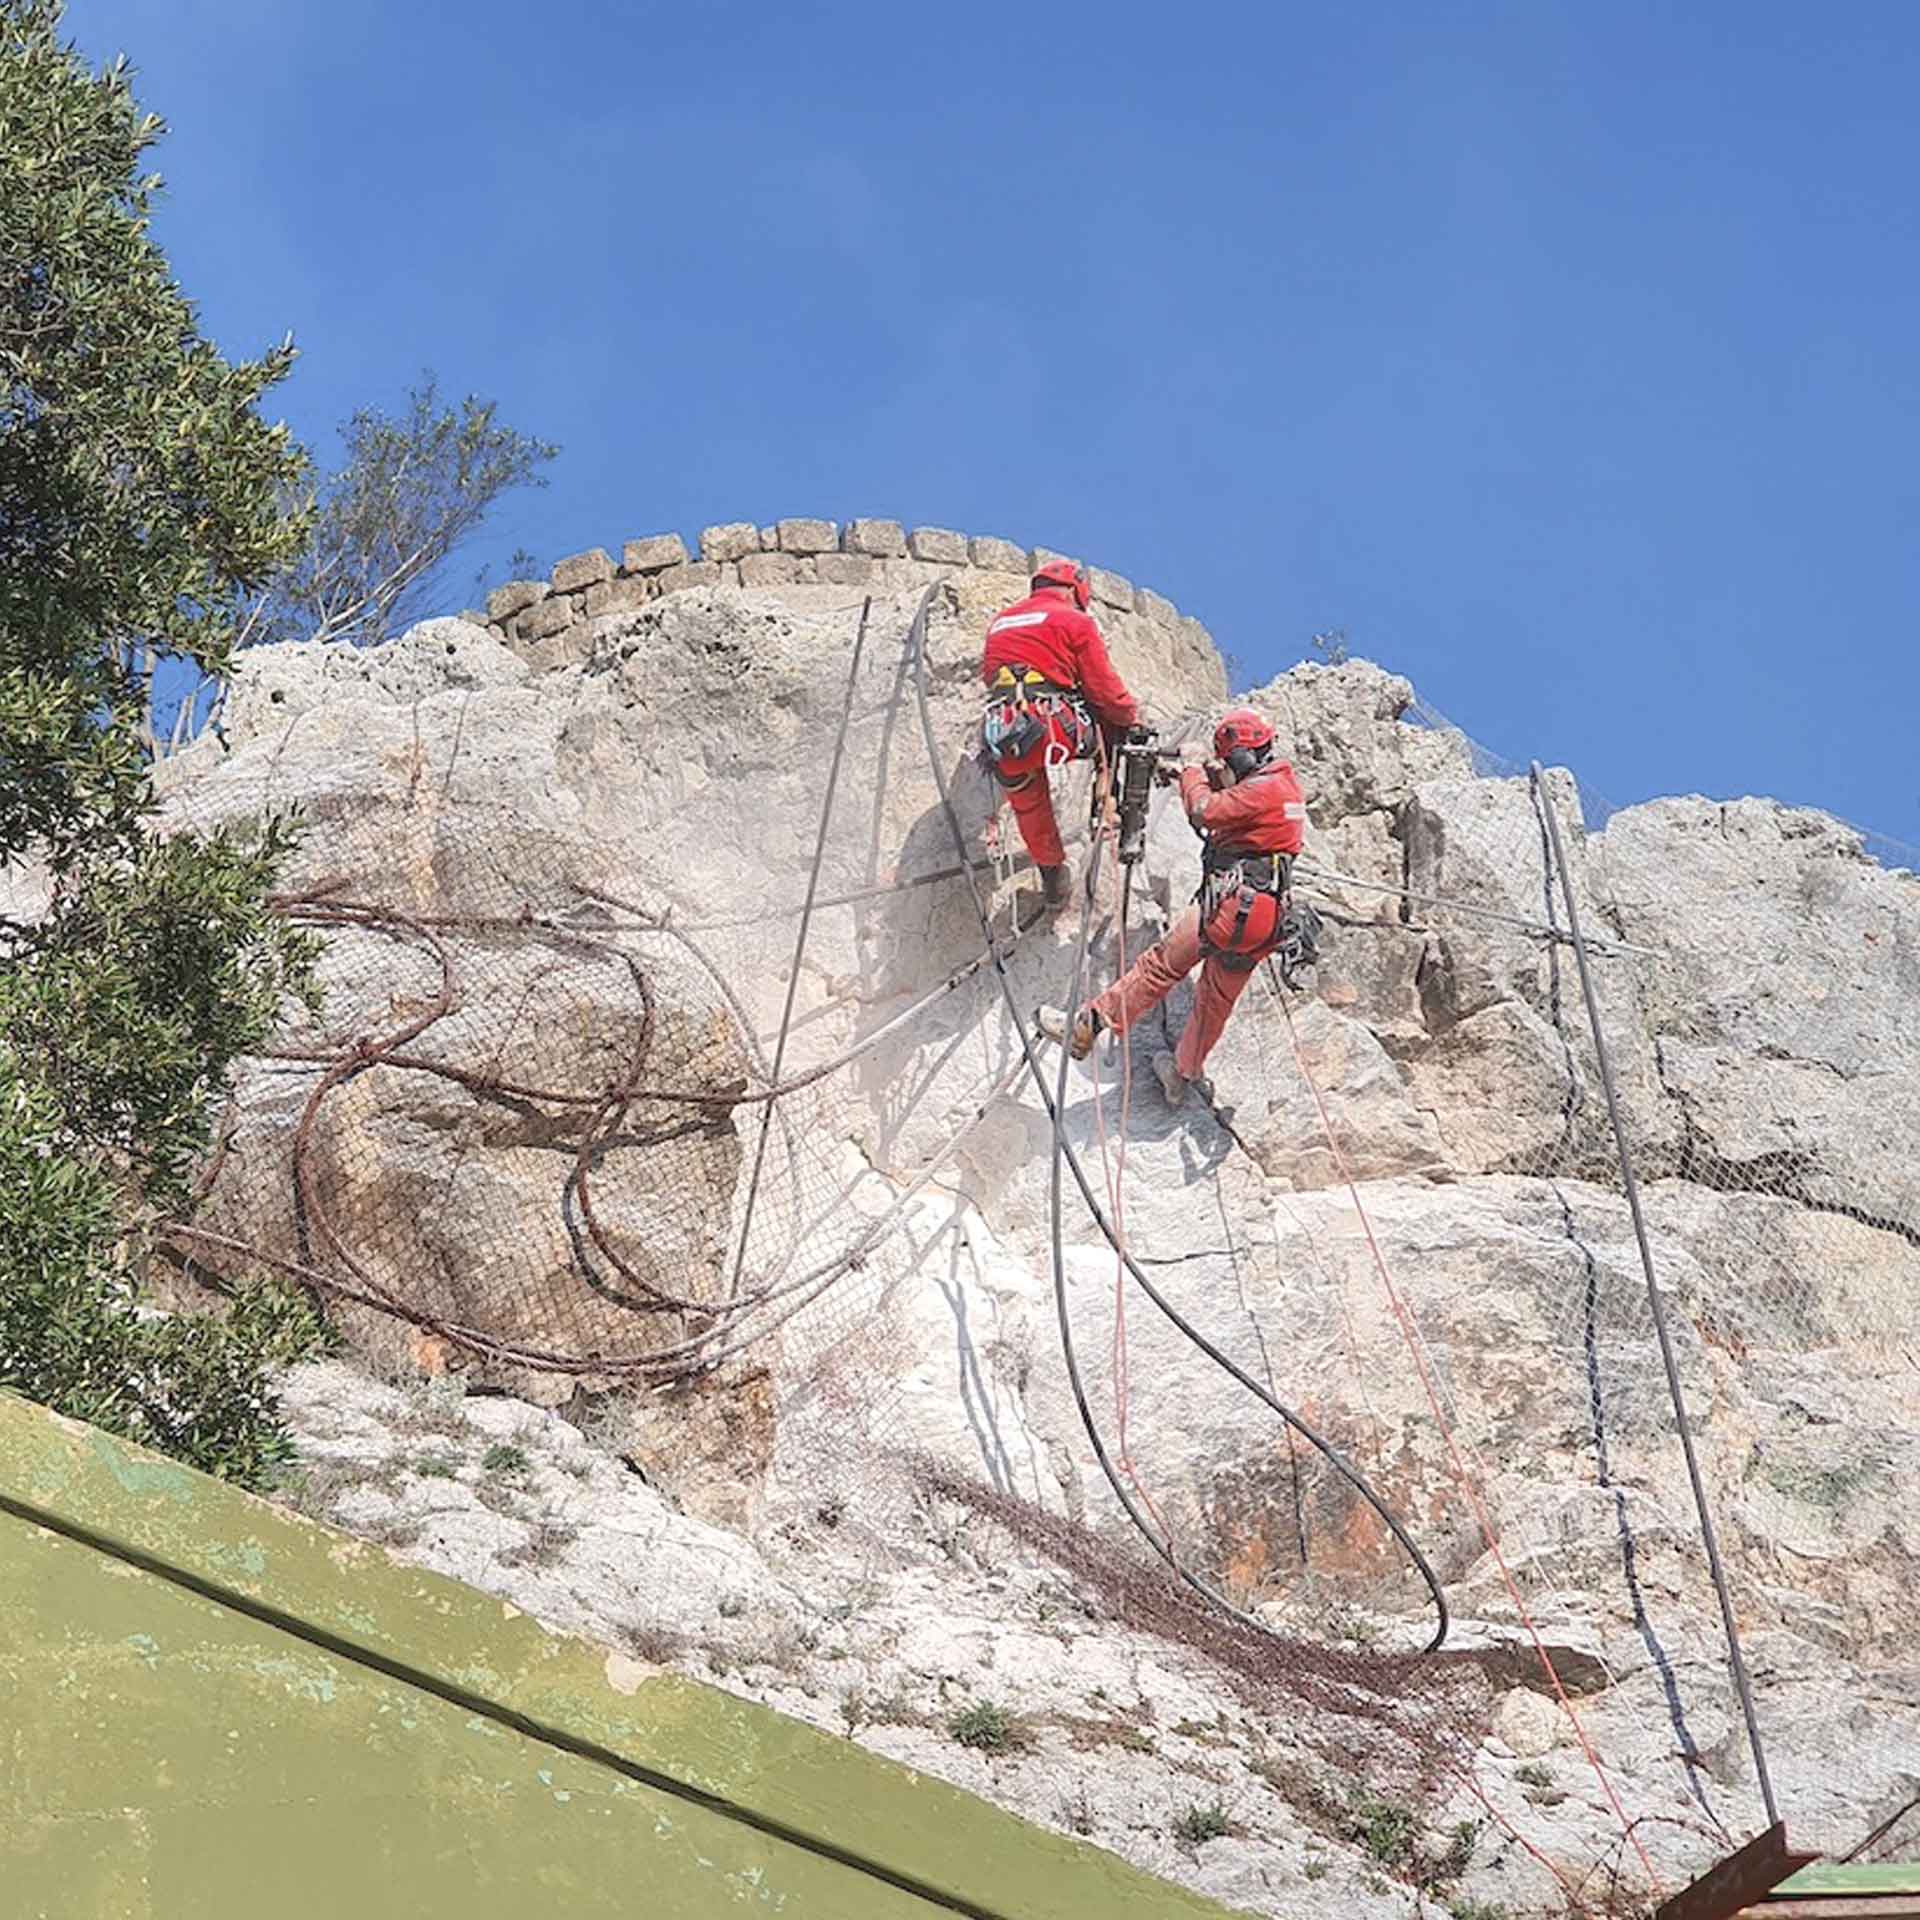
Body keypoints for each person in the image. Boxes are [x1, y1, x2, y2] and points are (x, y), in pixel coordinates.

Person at [1038, 707, 1311, 1105]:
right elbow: (1239, 802)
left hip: (1230, 908)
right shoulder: (1282, 786)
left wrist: (1192, 768)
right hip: (1265, 921)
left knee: (1160, 966)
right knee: (1215, 1001)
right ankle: (1183, 1072)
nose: (1228, 766)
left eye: (1230, 759)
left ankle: (1087, 1024)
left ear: (1245, 754)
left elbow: (1205, 810)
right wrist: (1193, 776)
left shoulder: (1265, 789)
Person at [980, 559, 1140, 911]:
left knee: (1027, 799)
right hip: (1052, 727)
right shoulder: (1074, 620)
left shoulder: (1000, 622)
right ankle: (1109, 813)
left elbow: (988, 675)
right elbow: (1105, 690)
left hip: (1002, 732)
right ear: (1074, 589)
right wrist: (1131, 716)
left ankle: (1052, 875)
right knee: (1112, 727)